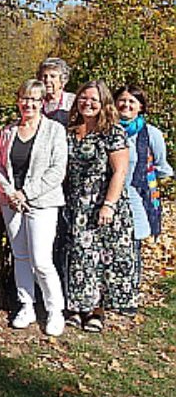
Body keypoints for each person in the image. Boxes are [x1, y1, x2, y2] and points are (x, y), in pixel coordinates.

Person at [0, 80, 68, 336]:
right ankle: (26, 305)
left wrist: (26, 193)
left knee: (41, 260)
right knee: (21, 256)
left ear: (43, 103)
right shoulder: (8, 131)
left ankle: (55, 309)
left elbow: (57, 170)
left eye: (35, 100)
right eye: (25, 98)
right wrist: (10, 192)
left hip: (42, 202)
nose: (29, 104)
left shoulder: (55, 131)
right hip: (12, 203)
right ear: (18, 101)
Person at [63, 81, 135, 332]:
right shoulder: (70, 130)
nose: (87, 103)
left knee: (102, 259)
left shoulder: (112, 132)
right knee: (79, 257)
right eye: (83, 98)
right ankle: (76, 307)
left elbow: (120, 171)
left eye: (93, 99)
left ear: (103, 103)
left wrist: (109, 205)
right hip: (75, 206)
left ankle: (96, 311)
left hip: (103, 205)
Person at [114, 84, 173, 304]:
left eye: (132, 101)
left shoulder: (151, 134)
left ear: (141, 107)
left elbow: (162, 167)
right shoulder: (107, 129)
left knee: (133, 245)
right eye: (122, 100)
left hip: (137, 197)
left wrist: (150, 186)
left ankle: (129, 294)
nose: (126, 105)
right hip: (109, 198)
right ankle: (111, 293)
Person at [37, 58, 75, 126]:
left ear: (63, 80)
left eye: (53, 76)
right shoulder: (36, 101)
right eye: (44, 76)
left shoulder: (72, 101)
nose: (47, 80)